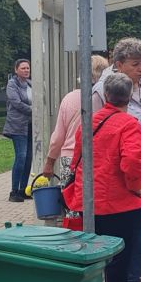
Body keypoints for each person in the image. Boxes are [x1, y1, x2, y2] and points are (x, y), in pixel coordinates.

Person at [63, 72, 141, 282]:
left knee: (90, 255)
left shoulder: (88, 122)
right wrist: (135, 188)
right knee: (118, 257)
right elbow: (132, 162)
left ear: (105, 95)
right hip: (118, 202)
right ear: (130, 96)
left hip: (88, 200)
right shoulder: (129, 124)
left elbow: (76, 158)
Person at [92, 38, 141, 282]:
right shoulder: (104, 91)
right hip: (118, 179)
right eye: (136, 64)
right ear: (119, 65)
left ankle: (132, 281)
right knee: (122, 236)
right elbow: (95, 134)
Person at [40, 54, 110, 225]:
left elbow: (58, 136)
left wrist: (49, 162)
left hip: (70, 159)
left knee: (72, 204)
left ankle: (73, 240)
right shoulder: (105, 99)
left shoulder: (70, 98)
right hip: (98, 158)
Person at [2, 59, 33, 202]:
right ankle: (14, 191)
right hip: (18, 126)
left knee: (28, 158)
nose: (26, 70)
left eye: (27, 68)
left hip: (31, 126)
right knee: (21, 157)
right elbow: (16, 102)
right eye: (23, 68)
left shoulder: (31, 84)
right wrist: (33, 110)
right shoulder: (12, 84)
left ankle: (23, 189)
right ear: (16, 70)